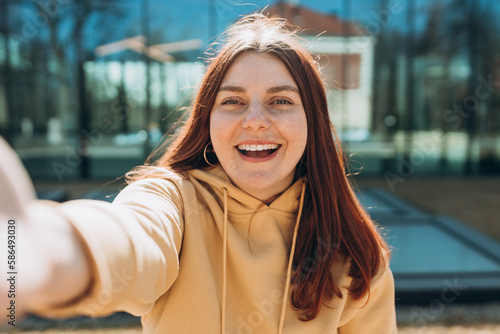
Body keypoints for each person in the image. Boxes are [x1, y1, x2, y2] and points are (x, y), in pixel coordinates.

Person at [0, 13, 397, 334]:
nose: (256, 121)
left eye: (280, 100)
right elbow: (133, 238)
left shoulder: (356, 252)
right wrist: (39, 250)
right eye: (233, 101)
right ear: (207, 120)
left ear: (313, 121)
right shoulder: (171, 200)